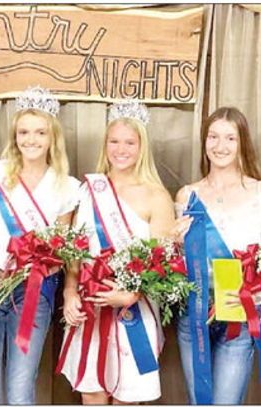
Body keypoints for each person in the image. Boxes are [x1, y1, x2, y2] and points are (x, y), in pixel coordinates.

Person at [173, 107, 261, 404]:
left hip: (239, 317)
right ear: (204, 142)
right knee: (199, 401)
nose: (220, 146)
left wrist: (251, 296)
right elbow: (176, 263)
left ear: (243, 142)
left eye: (230, 138)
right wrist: (173, 242)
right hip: (194, 315)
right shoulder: (186, 195)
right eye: (213, 137)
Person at [57, 99, 175, 404]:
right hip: (90, 305)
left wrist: (131, 295)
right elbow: (74, 254)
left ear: (141, 146)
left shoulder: (157, 195)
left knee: (127, 396)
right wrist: (70, 293)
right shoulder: (87, 190)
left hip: (133, 310)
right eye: (114, 141)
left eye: (130, 142)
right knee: (92, 394)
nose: (121, 149)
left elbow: (164, 261)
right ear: (105, 144)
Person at [0, 87, 80, 404]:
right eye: (24, 132)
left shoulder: (67, 186)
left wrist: (41, 259)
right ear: (15, 135)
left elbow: (63, 249)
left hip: (35, 289)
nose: (31, 139)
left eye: (40, 132)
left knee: (21, 386)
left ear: (52, 137)